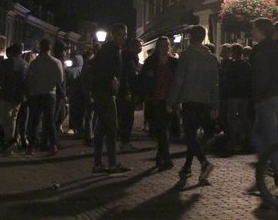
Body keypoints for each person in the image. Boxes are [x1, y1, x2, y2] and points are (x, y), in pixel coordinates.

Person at [169, 25, 219, 181]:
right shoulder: (211, 58)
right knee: (193, 135)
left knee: (190, 135)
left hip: (190, 100)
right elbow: (215, 83)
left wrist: (171, 100)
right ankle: (187, 167)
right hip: (205, 101)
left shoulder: (186, 56)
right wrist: (215, 104)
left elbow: (179, 80)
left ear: (190, 37)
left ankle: (204, 163)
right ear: (203, 37)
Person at [248, 18, 278, 190]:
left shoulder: (259, 50)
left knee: (269, 138)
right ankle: (270, 167)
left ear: (260, 31)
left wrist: (256, 99)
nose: (251, 33)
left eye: (253, 29)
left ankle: (277, 174)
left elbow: (261, 77)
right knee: (265, 136)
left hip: (266, 99)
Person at [90, 24, 130, 174]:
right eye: (120, 34)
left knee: (101, 129)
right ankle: (112, 164)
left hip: (104, 93)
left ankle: (98, 164)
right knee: (112, 128)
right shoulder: (109, 50)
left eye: (124, 34)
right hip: (105, 93)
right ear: (113, 35)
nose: (123, 37)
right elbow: (100, 71)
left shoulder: (114, 50)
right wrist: (111, 81)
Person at [138, 36, 178, 170]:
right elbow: (142, 80)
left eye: (166, 45)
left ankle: (160, 155)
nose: (164, 48)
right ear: (157, 47)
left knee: (165, 129)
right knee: (161, 129)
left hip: (169, 99)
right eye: (162, 45)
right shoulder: (150, 61)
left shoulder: (173, 62)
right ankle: (166, 157)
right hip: (155, 99)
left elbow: (178, 80)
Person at [24, 38, 65, 155]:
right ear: (50, 48)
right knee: (50, 120)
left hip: (37, 94)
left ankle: (31, 147)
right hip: (50, 94)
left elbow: (29, 79)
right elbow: (60, 79)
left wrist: (32, 90)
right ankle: (53, 145)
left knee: (35, 121)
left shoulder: (34, 63)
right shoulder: (56, 62)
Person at [219, 43, 252, 155]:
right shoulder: (247, 65)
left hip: (234, 95)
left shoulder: (230, 66)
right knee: (244, 117)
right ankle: (246, 139)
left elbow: (227, 80)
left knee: (233, 118)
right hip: (245, 95)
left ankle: (234, 140)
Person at [0, 43, 28, 155]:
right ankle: (12, 140)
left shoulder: (6, 63)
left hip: (7, 94)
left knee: (5, 117)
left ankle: (10, 141)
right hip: (19, 96)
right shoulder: (25, 64)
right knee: (13, 117)